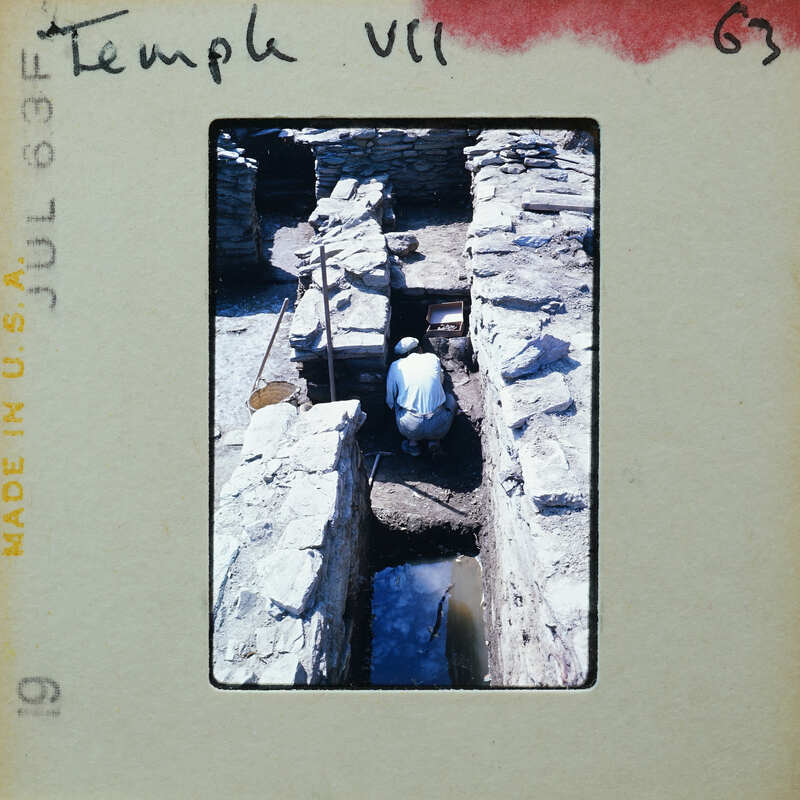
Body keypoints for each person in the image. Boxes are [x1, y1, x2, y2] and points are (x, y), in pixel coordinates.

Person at [385, 337, 457, 457]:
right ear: (420, 349)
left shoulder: (395, 366)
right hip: (439, 426)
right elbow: (441, 381)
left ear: (401, 356)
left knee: (398, 401)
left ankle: (413, 445)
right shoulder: (432, 359)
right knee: (450, 399)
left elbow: (390, 401)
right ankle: (434, 442)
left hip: (410, 427)